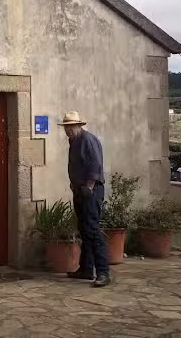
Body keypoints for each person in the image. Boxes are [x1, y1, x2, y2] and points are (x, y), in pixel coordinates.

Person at [60, 110, 110, 287]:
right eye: (66, 127)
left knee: (93, 230)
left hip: (91, 191)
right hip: (80, 191)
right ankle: (86, 269)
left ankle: (103, 272)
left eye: (71, 126)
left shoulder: (87, 140)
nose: (68, 130)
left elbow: (95, 163)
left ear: (78, 125)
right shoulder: (73, 141)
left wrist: (89, 185)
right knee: (84, 230)